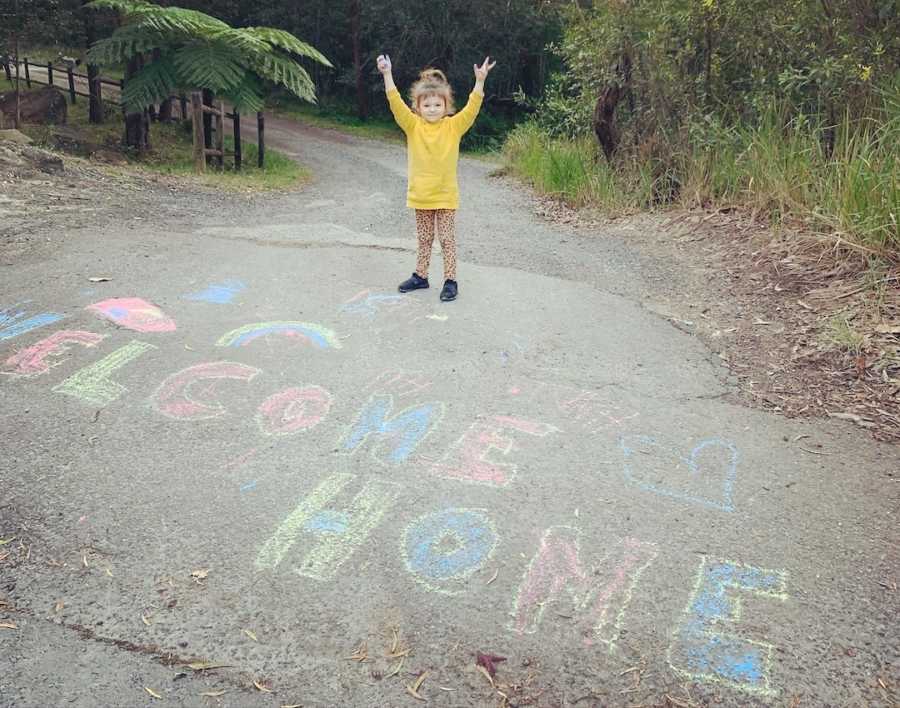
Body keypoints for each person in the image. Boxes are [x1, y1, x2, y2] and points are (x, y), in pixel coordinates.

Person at [376, 53, 495, 302]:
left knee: (447, 240)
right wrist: (387, 74)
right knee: (424, 238)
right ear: (418, 107)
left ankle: (451, 280)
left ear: (446, 106)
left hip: (445, 195)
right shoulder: (413, 125)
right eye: (427, 105)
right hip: (421, 196)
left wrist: (480, 82)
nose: (432, 109)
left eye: (437, 105)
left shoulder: (453, 126)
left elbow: (472, 108)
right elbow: (395, 102)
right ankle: (421, 276)